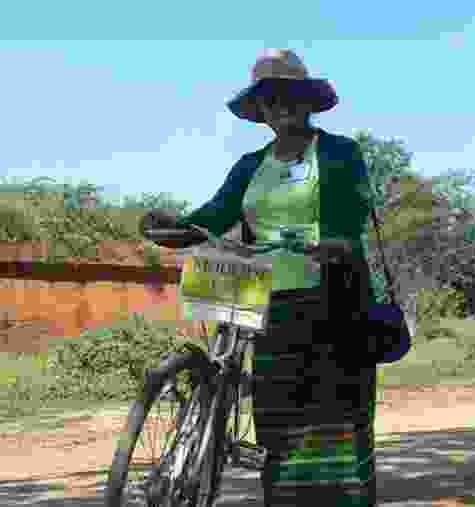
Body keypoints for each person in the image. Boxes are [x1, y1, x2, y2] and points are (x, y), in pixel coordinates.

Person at [141, 48, 383, 507]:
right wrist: (172, 228)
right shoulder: (251, 166)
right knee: (279, 419)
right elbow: (214, 214)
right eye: (270, 101)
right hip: (266, 302)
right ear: (261, 112)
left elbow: (350, 216)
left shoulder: (339, 153)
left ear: (306, 101)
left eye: (289, 96)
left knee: (336, 418)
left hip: (334, 299)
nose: (280, 107)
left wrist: (333, 241)